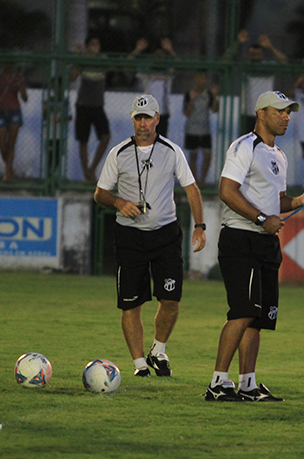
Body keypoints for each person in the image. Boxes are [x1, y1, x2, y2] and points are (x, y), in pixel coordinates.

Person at [206, 90, 304, 402]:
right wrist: (260, 219)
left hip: (265, 242)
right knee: (242, 311)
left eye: (288, 113)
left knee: (258, 317)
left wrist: (300, 200)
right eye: (280, 111)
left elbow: (278, 200)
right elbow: (226, 191)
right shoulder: (245, 147)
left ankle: (248, 385)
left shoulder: (279, 155)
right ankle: (218, 383)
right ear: (261, 113)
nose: (286, 117)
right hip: (240, 239)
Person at [94, 94, 206, 378]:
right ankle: (139, 365)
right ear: (132, 119)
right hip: (129, 236)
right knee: (131, 302)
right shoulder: (118, 153)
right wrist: (119, 203)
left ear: (158, 118)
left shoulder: (171, 151)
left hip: (165, 234)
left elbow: (191, 189)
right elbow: (100, 194)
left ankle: (158, 350)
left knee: (171, 298)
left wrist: (200, 225)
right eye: (138, 118)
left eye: (148, 117)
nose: (143, 123)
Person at [226, 29, 288, 135]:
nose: (255, 56)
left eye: (258, 54)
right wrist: (237, 43)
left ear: (262, 55)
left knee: (264, 146)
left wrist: (270, 47)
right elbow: (225, 61)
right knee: (247, 146)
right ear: (248, 55)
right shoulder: (244, 67)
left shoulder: (268, 67)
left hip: (265, 114)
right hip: (247, 113)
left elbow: (284, 62)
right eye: (252, 54)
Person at [71, 36, 111, 182]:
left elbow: (116, 67)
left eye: (97, 44)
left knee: (105, 136)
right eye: (92, 45)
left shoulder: (103, 59)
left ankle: (92, 169)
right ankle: (86, 174)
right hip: (83, 104)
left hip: (98, 105)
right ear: (87, 47)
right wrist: (78, 57)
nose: (95, 48)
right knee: (83, 140)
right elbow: (72, 77)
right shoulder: (83, 59)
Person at [0, 63, 28, 180]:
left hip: (14, 110)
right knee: (2, 145)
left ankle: (8, 172)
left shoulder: (18, 76)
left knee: (11, 142)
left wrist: (20, 88)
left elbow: (25, 98)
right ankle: (10, 169)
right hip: (1, 111)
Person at [130, 37, 177, 138]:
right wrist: (138, 50)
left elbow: (180, 65)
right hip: (147, 113)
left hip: (162, 113)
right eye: (156, 55)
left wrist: (170, 50)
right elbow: (127, 63)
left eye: (161, 55)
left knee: (161, 143)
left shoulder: (168, 72)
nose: (159, 57)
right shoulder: (145, 72)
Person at [182, 71, 219, 184]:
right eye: (200, 78)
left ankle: (202, 181)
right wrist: (192, 99)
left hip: (205, 129)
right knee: (193, 156)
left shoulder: (208, 94)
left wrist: (215, 96)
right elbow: (186, 113)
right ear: (195, 79)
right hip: (192, 129)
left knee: (207, 155)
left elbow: (214, 109)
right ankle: (194, 182)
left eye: (204, 78)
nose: (202, 81)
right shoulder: (189, 94)